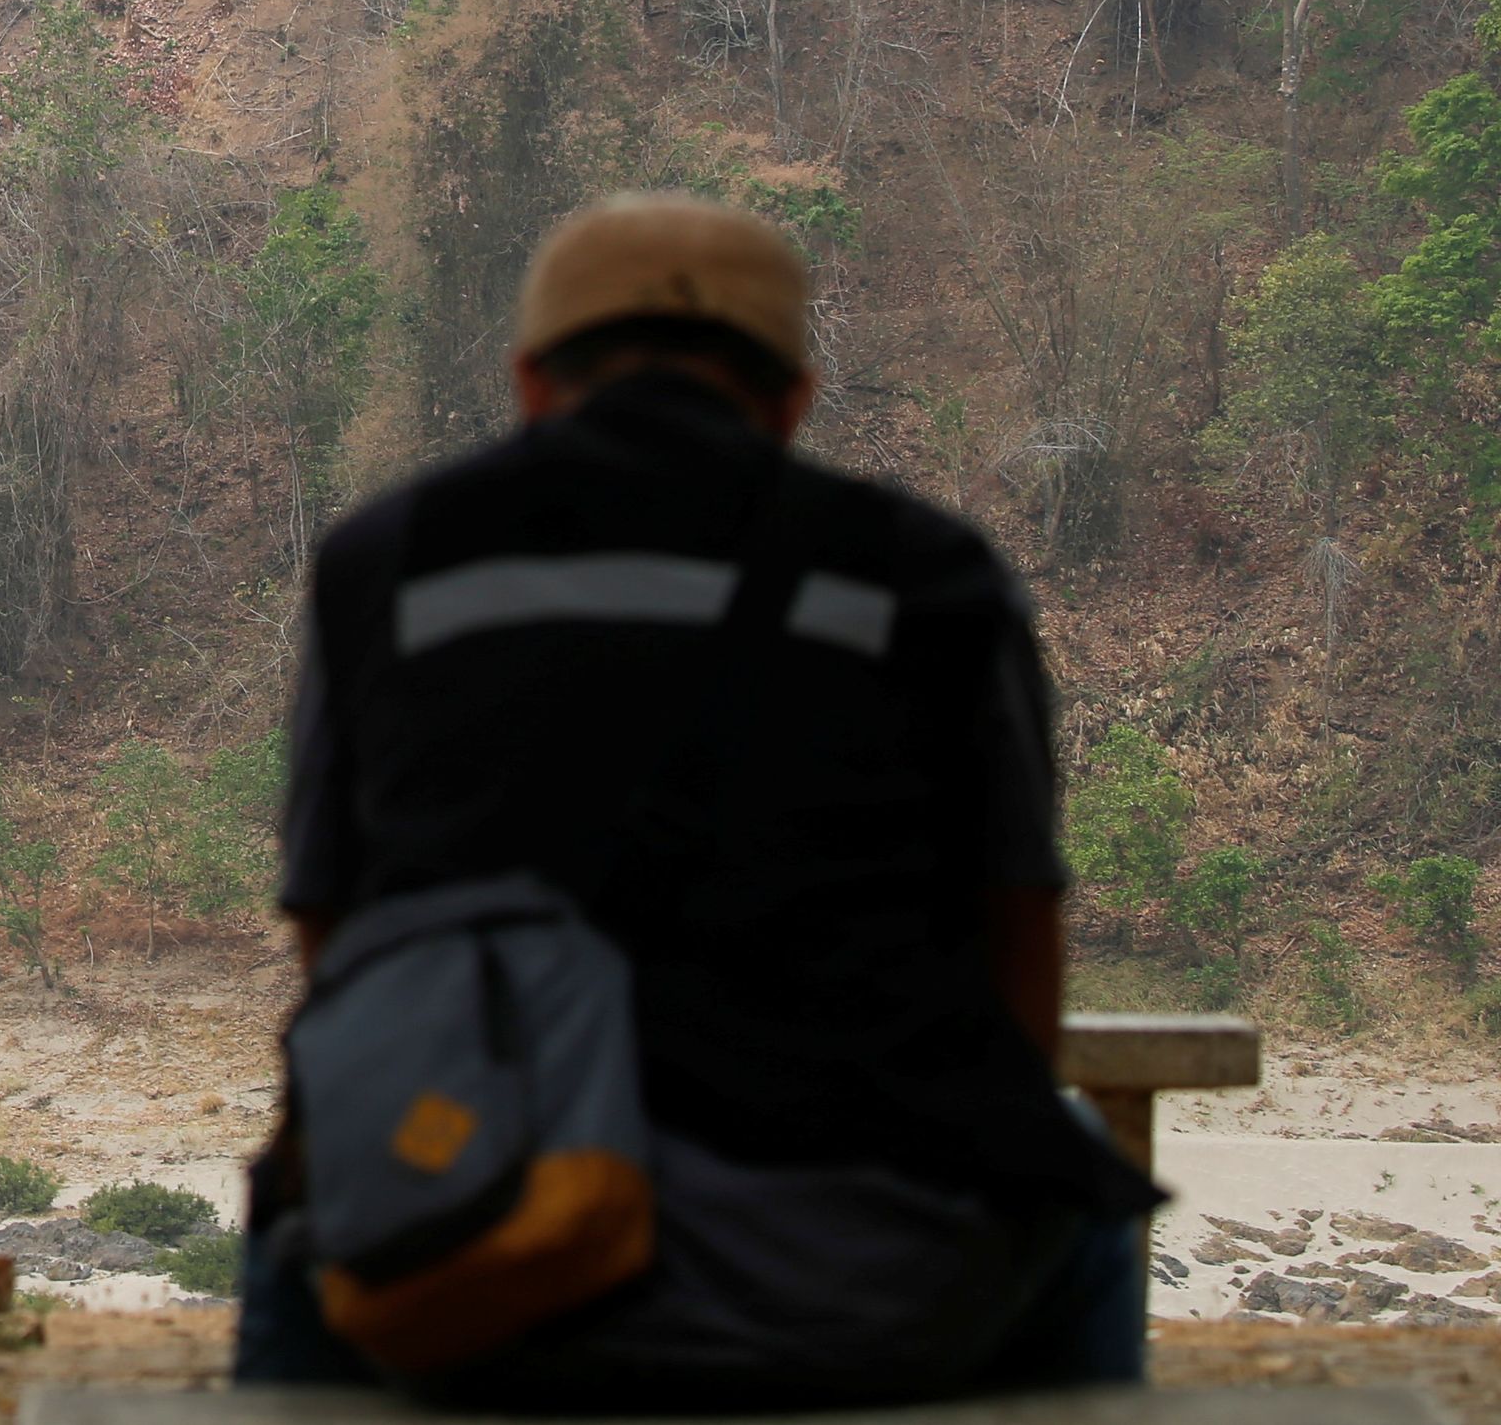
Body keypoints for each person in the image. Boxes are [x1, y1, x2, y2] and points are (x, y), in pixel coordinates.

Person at [239, 193, 1160, 1403]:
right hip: (880, 1284)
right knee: (1076, 1184)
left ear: (529, 382)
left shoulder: (388, 560)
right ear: (790, 400)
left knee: (307, 1207)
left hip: (484, 1273)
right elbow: (1019, 932)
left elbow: (332, 929)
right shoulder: (925, 571)